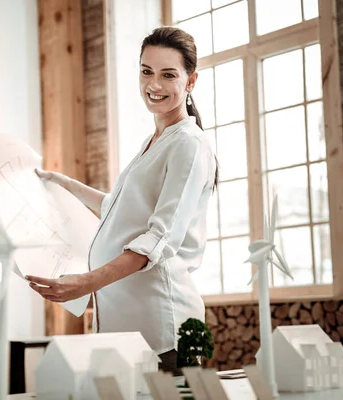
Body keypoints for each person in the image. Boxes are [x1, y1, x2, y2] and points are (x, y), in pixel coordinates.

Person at [26, 26, 217, 374]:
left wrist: (87, 281)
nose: (153, 85)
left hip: (162, 331)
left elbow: (158, 238)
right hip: (127, 332)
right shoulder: (155, 141)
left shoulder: (188, 144)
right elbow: (120, 210)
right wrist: (65, 184)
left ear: (190, 82)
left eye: (167, 75)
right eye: (146, 71)